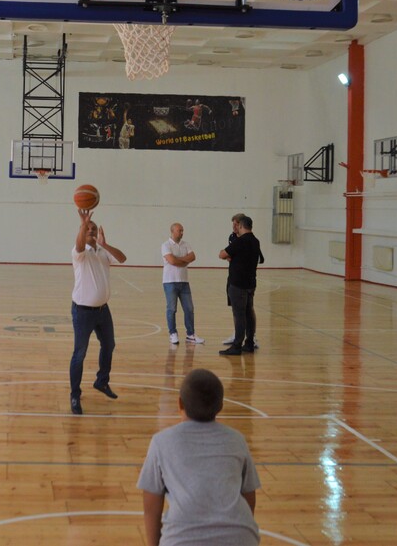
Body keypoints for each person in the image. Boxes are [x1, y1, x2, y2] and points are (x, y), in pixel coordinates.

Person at [137, 368, 261, 546]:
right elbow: (249, 496)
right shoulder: (237, 440)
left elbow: (151, 506)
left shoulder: (161, 442)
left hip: (181, 539)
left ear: (180, 403)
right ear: (221, 406)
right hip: (241, 537)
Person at [69, 208, 127, 415]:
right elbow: (78, 244)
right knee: (79, 353)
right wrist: (84, 223)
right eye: (87, 229)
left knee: (109, 345)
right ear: (82, 231)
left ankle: (101, 381)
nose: (91, 230)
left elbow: (122, 258)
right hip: (83, 311)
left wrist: (105, 244)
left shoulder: (103, 252)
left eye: (93, 228)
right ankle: (75, 394)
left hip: (103, 310)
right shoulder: (79, 253)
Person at [219, 216, 261, 355]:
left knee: (239, 315)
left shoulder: (240, 241)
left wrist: (229, 255)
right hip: (250, 283)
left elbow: (222, 254)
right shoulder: (255, 241)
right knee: (249, 313)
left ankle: (237, 345)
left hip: (238, 284)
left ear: (241, 226)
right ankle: (249, 343)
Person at [161, 223, 204, 345]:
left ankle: (190, 334)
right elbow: (171, 261)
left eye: (182, 230)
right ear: (172, 231)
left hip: (184, 282)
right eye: (179, 230)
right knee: (172, 309)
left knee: (189, 308)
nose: (181, 233)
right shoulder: (165, 245)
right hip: (170, 281)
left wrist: (178, 259)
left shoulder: (186, 244)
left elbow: (192, 257)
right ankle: (173, 333)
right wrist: (184, 260)